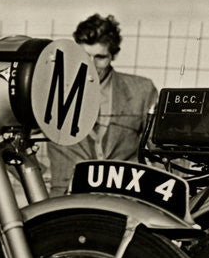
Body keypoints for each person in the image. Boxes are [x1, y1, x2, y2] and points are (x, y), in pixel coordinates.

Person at [45, 14, 158, 194]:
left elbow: (161, 150)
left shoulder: (142, 91)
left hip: (125, 201)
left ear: (113, 55)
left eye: (100, 57)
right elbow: (6, 140)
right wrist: (38, 180)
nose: (91, 65)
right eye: (85, 55)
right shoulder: (51, 92)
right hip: (68, 201)